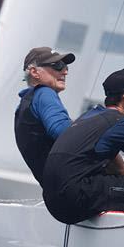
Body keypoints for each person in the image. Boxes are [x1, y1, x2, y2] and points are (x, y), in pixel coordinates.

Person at [42, 69, 124, 224]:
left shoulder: (90, 117)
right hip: (75, 198)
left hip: (53, 201)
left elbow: (118, 170)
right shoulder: (121, 123)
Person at [14, 46, 76, 183]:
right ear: (35, 72)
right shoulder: (44, 93)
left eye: (66, 67)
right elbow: (63, 131)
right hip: (77, 187)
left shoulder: (26, 102)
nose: (65, 72)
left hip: (56, 190)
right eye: (58, 66)